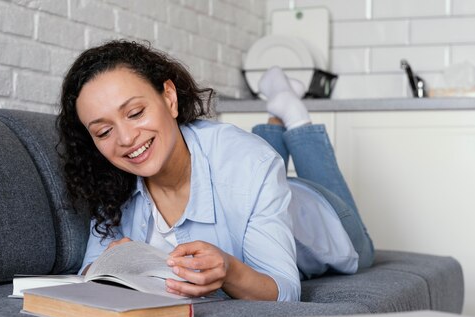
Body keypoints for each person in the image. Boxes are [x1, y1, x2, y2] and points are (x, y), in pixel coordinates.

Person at [57, 40, 373, 302]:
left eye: (135, 113)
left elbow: (286, 294)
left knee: (281, 178)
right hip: (255, 186)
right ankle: (276, 115)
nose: (126, 139)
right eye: (103, 132)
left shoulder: (251, 163)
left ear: (169, 98)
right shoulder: (110, 178)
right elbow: (91, 274)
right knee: (251, 171)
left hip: (320, 213)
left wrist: (230, 271)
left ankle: (293, 111)